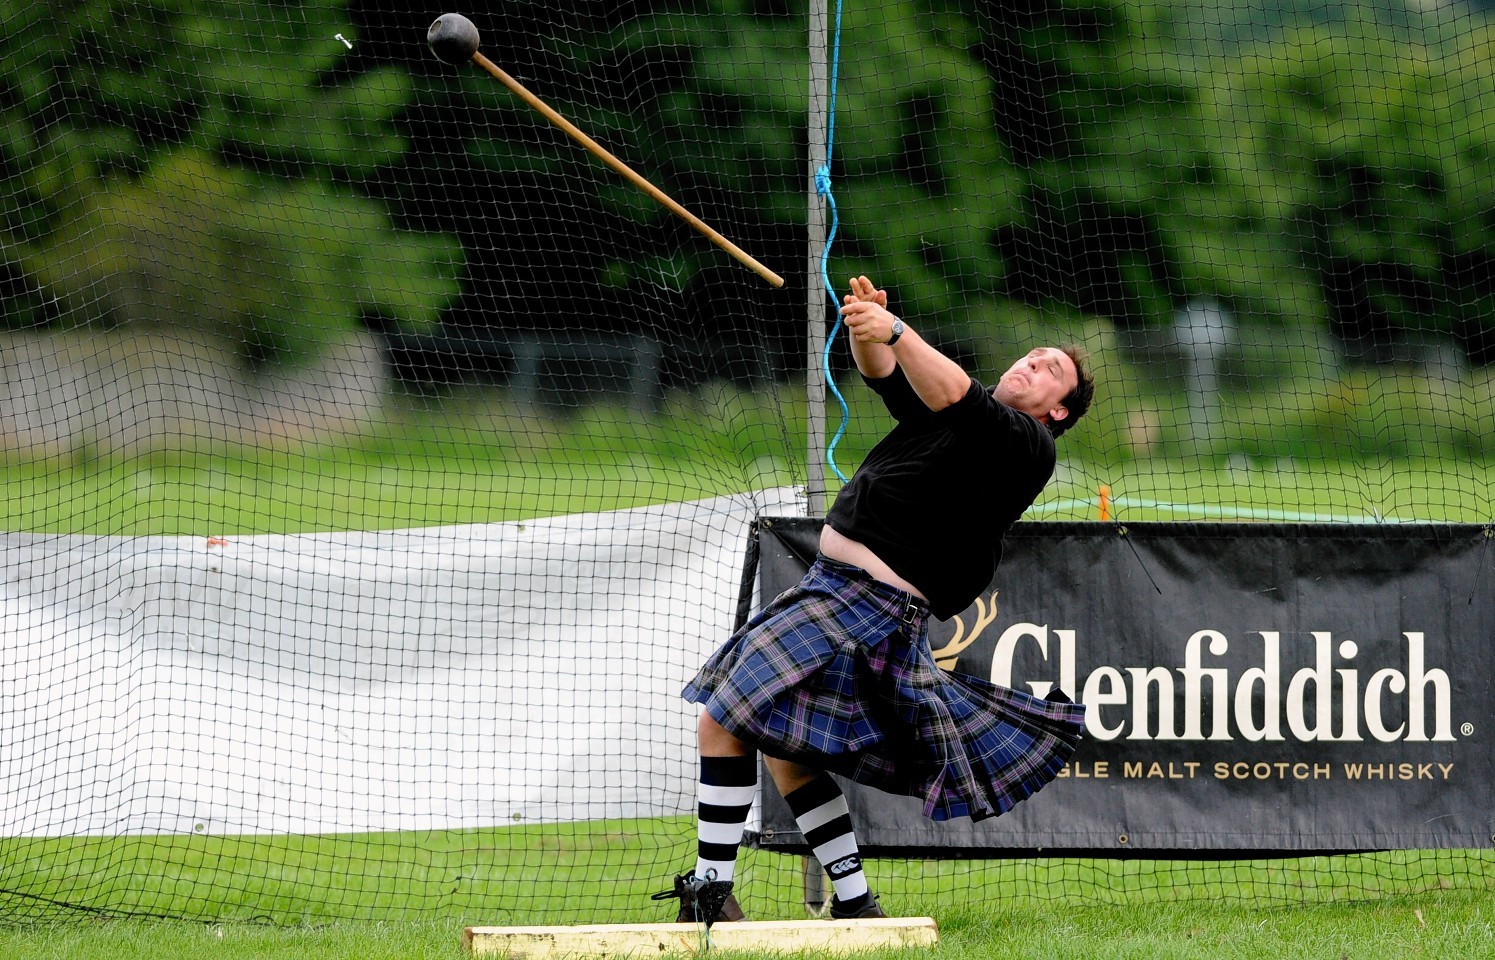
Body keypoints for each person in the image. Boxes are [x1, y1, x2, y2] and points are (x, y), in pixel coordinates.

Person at [654, 276, 1094, 925]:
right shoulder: (942, 418)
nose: (1029, 362)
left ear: (1058, 410)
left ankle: (710, 895)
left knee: (723, 718)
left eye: (1048, 368)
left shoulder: (1025, 445)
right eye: (1029, 355)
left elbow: (954, 390)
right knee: (783, 744)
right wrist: (868, 328)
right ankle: (855, 903)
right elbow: (885, 374)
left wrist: (895, 330)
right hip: (833, 593)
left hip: (866, 607)